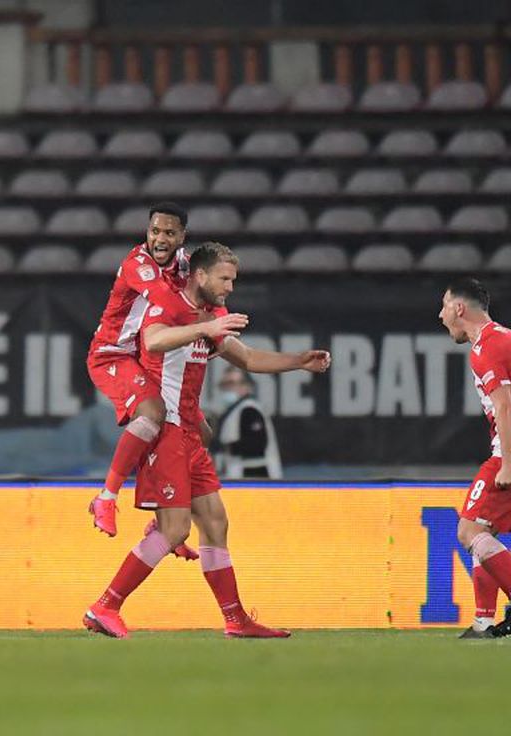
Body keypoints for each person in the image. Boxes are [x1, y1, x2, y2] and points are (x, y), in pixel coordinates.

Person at [83, 243, 331, 639]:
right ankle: (105, 605)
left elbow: (248, 359)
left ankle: (236, 620)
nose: (230, 287)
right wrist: (206, 328)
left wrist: (298, 361)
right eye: (225, 278)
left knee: (215, 522)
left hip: (189, 436)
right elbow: (154, 341)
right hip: (164, 433)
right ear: (200, 275)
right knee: (176, 530)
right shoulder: (169, 305)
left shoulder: (209, 317)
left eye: (233, 279)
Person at [86, 202, 210, 559]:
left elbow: (204, 291)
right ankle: (106, 498)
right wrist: (207, 322)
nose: (160, 239)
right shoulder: (136, 265)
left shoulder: (186, 263)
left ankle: (162, 520)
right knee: (153, 414)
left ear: (182, 236)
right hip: (112, 355)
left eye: (169, 233)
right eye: (155, 231)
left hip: (145, 358)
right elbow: (168, 301)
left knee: (196, 431)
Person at [438, 278, 511, 640]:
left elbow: (505, 407)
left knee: (468, 529)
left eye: (444, 305)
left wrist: (508, 462)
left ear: (460, 308)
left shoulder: (486, 347)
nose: (440, 315)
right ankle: (483, 622)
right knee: (483, 531)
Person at [213, 366, 282, 479]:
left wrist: (224, 446)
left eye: (231, 383)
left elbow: (256, 445)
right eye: (224, 384)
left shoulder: (249, 409)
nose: (227, 388)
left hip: (257, 479)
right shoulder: (233, 411)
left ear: (246, 386)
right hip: (240, 479)